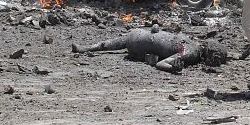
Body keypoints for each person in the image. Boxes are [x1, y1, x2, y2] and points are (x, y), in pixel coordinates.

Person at [72, 26, 228, 73]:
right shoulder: (190, 52)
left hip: (139, 33)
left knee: (110, 44)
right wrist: (174, 68)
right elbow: (160, 64)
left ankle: (84, 49)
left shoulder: (192, 45)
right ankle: (84, 49)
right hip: (138, 43)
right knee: (114, 44)